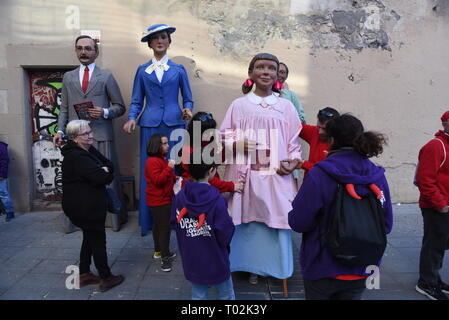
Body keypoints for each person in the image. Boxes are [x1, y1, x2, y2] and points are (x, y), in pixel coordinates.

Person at [288, 114, 393, 300]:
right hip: (363, 266)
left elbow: (299, 223)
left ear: (331, 139)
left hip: (322, 267)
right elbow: (386, 225)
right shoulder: (376, 176)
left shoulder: (319, 174)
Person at [220, 53, 302, 285]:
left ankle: (275, 267)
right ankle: (245, 265)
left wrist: (294, 161)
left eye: (271, 68)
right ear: (251, 73)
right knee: (247, 223)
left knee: (274, 222)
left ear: (278, 75)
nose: (266, 71)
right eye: (260, 67)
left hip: (276, 175)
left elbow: (293, 141)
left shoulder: (285, 106)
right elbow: (224, 134)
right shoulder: (239, 105)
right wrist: (235, 143)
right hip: (245, 175)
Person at [123, 24, 194, 236]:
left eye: (163, 37)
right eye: (155, 38)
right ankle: (149, 221)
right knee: (152, 173)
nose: (160, 41)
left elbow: (188, 98)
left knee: (176, 171)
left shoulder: (179, 70)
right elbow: (136, 100)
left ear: (169, 41)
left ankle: (177, 219)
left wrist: (188, 110)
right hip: (150, 125)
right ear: (149, 43)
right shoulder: (142, 71)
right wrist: (131, 118)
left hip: (175, 123)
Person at [54, 35, 127, 229]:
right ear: (76, 51)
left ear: (96, 51)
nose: (84, 52)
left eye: (88, 48)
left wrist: (104, 112)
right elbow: (64, 109)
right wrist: (60, 131)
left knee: (105, 178)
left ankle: (111, 221)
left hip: (101, 135)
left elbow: (120, 106)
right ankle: (76, 222)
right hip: (75, 139)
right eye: (79, 48)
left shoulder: (106, 77)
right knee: (77, 181)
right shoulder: (68, 77)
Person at [61, 120, 124, 292]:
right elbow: (102, 178)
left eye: (90, 132)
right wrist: (102, 171)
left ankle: (84, 273)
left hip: (88, 204)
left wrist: (104, 169)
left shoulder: (87, 149)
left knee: (89, 238)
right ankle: (106, 277)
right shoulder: (77, 156)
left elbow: (110, 165)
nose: (90, 136)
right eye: (85, 134)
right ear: (74, 138)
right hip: (84, 207)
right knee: (97, 240)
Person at [170, 151, 235, 300]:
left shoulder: (180, 196)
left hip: (192, 256)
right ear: (211, 171)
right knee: (226, 294)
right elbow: (225, 233)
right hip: (216, 257)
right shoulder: (217, 199)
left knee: (198, 295)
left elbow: (174, 223)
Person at [415, 110, 449, 300]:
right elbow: (424, 180)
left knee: (440, 243)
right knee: (434, 245)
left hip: (445, 204)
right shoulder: (435, 147)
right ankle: (426, 283)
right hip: (436, 206)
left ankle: (434, 278)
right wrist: (440, 204)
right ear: (444, 123)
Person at [177, 112, 243, 193]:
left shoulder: (207, 142)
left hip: (209, 189)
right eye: (208, 131)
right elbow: (206, 179)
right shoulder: (187, 151)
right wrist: (231, 186)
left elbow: (215, 160)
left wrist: (232, 146)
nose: (211, 133)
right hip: (195, 193)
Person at [144, 133, 177, 272]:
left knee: (158, 226)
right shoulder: (153, 161)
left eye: (167, 142)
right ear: (156, 145)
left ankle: (158, 251)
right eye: (164, 143)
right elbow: (158, 180)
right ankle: (165, 258)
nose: (167, 145)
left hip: (161, 199)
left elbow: (166, 177)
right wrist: (170, 167)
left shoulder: (161, 159)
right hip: (159, 201)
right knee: (164, 228)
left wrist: (176, 177)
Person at [291, 107, 340, 178]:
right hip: (309, 185)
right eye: (318, 127)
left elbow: (328, 172)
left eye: (324, 129)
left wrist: (303, 164)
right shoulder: (314, 132)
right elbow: (293, 125)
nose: (320, 132)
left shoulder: (340, 144)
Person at [0, 140, 14, 222]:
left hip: (0, 175)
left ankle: (10, 212)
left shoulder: (1, 146)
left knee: (3, 194)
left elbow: (4, 161)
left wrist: (2, 174)